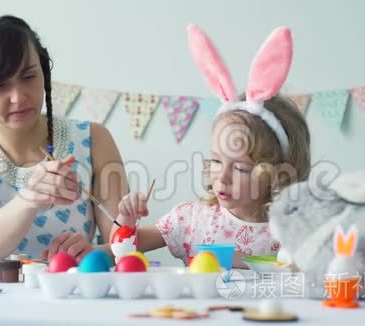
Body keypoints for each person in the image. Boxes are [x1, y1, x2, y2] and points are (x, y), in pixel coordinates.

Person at [111, 25, 310, 268]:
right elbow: (121, 251)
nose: (222, 178)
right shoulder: (191, 219)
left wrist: (239, 261)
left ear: (278, 174)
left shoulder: (293, 231)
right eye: (216, 161)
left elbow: (306, 274)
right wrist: (126, 220)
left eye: (240, 168)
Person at [0, 15, 127, 262]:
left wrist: (92, 254)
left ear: (44, 72)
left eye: (28, 77)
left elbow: (122, 241)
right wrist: (30, 198)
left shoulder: (93, 139)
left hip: (77, 293)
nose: (18, 97)